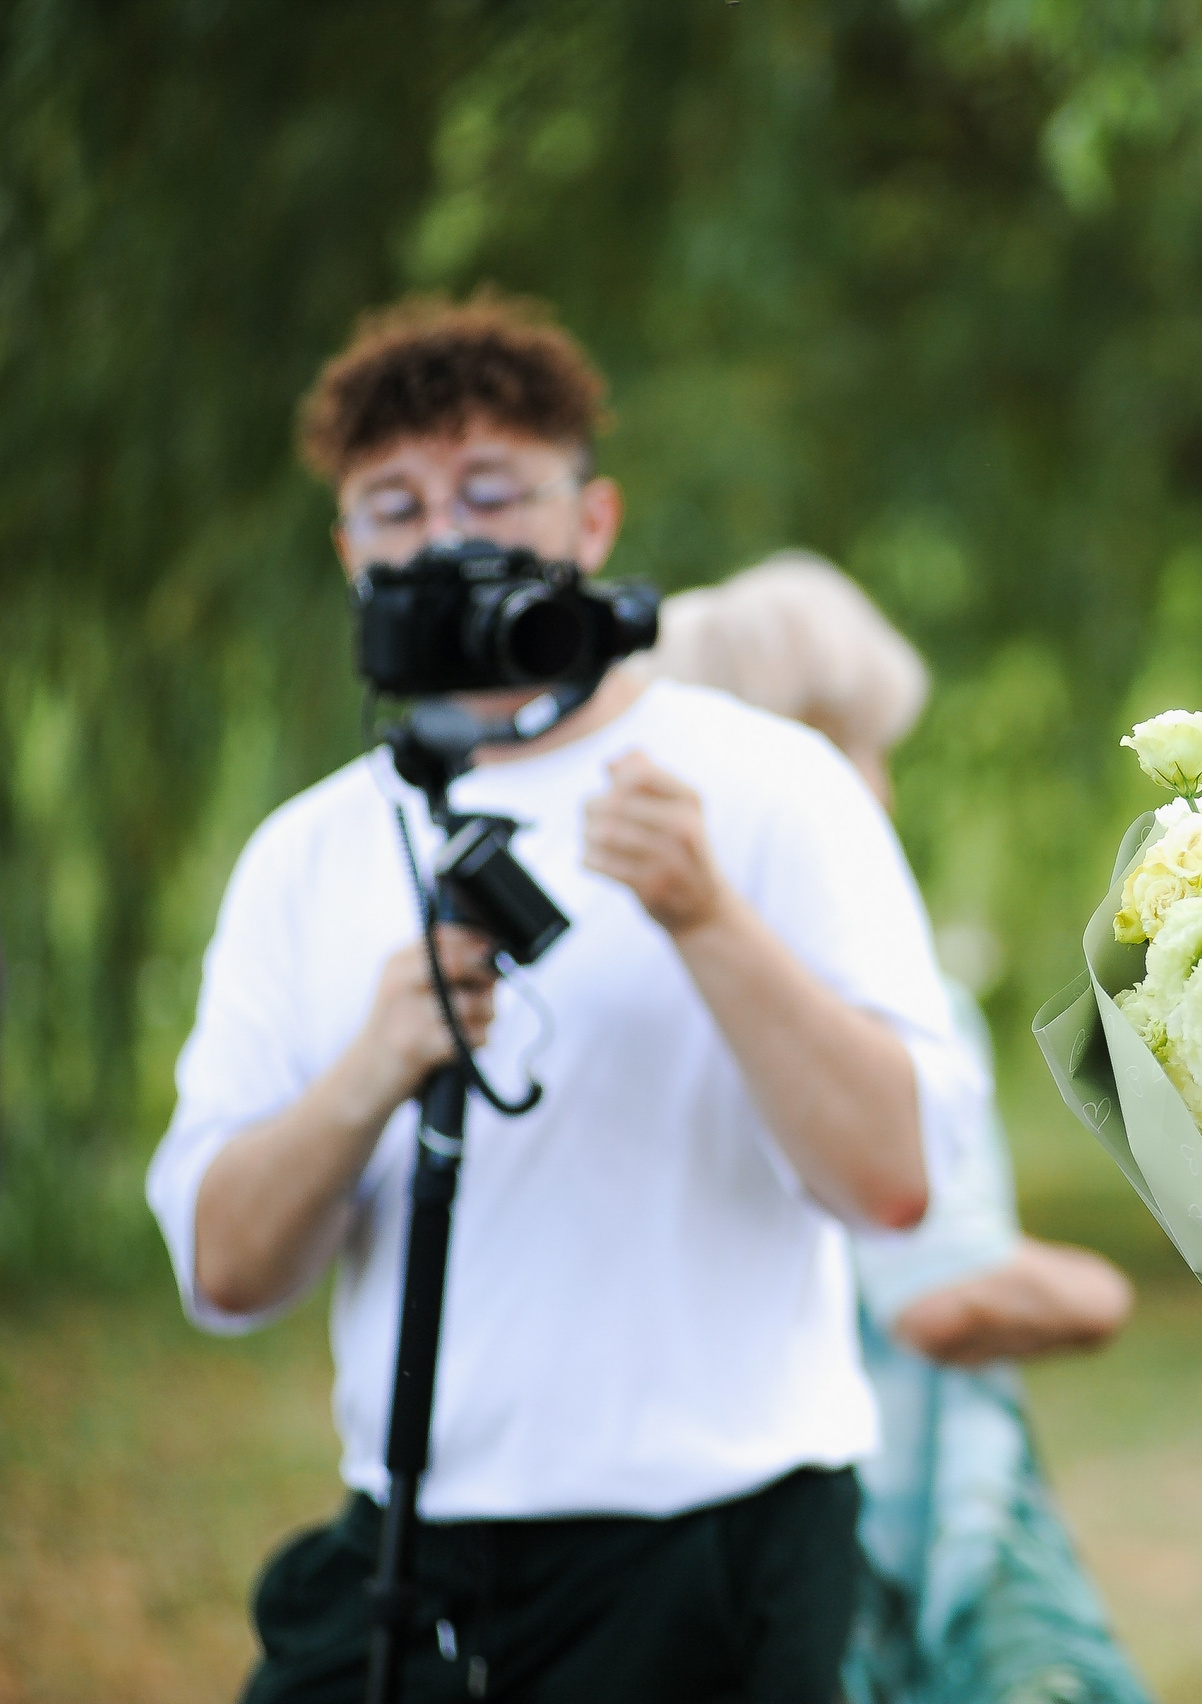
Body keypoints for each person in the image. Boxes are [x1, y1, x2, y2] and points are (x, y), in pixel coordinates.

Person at [144, 293, 980, 1703]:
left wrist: (708, 919)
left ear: (591, 525)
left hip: (721, 1555)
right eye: (394, 506)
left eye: (490, 490)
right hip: (411, 1553)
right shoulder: (307, 851)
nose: (444, 536)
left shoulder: (772, 786)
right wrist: (373, 1066)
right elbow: (224, 1272)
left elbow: (897, 1182)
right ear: (349, 555)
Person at [645, 555, 1155, 1704]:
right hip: (900, 1516)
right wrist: (1117, 1293)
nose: (877, 789)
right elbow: (940, 1294)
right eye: (845, 749)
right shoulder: (849, 1000)